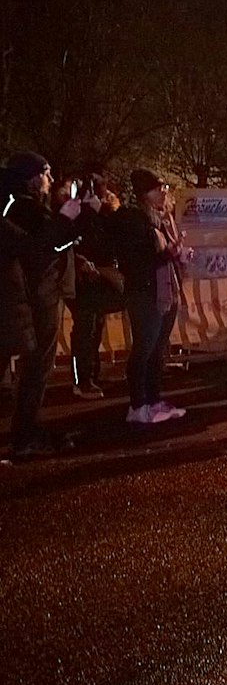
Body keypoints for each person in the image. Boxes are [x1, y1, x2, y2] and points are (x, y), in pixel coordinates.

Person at [1, 153, 86, 458]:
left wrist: (67, 225)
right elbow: (40, 251)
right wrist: (66, 221)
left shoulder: (24, 205)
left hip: (35, 295)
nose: (50, 182)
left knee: (36, 368)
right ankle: (25, 434)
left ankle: (28, 430)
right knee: (35, 367)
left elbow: (53, 245)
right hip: (31, 298)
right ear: (33, 176)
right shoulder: (19, 206)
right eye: (47, 174)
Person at [111, 169, 189, 425]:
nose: (164, 192)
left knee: (158, 350)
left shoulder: (164, 220)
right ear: (144, 193)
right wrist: (169, 253)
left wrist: (179, 254)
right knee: (144, 349)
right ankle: (138, 404)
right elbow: (137, 260)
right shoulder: (133, 220)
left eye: (165, 187)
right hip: (145, 292)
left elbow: (166, 253)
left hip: (166, 290)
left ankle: (154, 400)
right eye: (158, 188)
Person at [64, 175, 122, 399]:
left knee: (94, 328)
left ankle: (91, 376)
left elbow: (108, 240)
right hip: (82, 281)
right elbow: (72, 241)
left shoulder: (100, 213)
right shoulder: (76, 213)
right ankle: (82, 381)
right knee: (84, 330)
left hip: (95, 279)